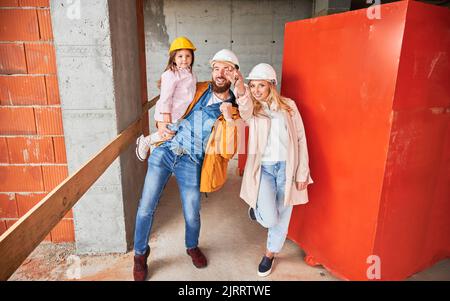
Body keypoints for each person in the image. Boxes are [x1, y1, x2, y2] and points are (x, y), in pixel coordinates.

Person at [133, 49, 245, 281]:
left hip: (191, 160)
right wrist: (161, 121)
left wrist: (232, 116)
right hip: (166, 149)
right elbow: (171, 91)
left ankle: (191, 246)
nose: (220, 73)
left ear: (234, 73)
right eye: (216, 68)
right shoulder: (200, 87)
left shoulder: (235, 108)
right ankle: (140, 255)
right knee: (146, 206)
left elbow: (233, 148)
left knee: (192, 212)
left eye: (226, 69)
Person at [236, 63, 313, 277]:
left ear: (272, 85)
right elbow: (244, 112)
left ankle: (270, 254)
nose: (256, 91)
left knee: (283, 216)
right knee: (270, 218)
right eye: (252, 86)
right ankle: (256, 210)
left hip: (287, 169)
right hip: (264, 170)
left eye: (261, 85)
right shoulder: (253, 108)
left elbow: (300, 139)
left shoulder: (289, 106)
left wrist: (302, 173)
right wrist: (242, 90)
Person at [135, 36, 197, 161]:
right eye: (180, 56)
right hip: (169, 112)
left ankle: (156, 147)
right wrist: (166, 115)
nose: (184, 59)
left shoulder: (190, 73)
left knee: (174, 136)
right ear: (173, 57)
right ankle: (146, 141)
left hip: (180, 112)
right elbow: (165, 97)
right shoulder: (171, 74)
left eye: (188, 56)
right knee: (167, 135)